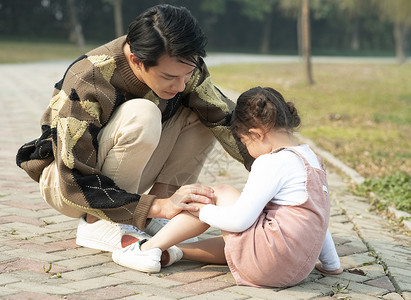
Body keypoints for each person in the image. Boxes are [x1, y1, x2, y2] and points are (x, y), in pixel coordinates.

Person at [15, 4, 252, 252]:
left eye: (187, 75)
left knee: (204, 111)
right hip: (68, 184)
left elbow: (227, 120)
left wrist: (278, 168)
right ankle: (100, 222)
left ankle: (157, 219)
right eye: (169, 77)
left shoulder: (182, 64)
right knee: (143, 113)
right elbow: (73, 179)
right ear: (136, 61)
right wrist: (158, 204)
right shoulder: (89, 78)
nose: (181, 85)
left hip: (124, 177)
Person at [112, 87, 343, 288]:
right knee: (247, 233)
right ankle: (176, 251)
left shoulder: (271, 161)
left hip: (267, 264)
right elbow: (319, 219)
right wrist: (332, 264)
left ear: (255, 134)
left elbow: (238, 221)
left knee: (218, 193)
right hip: (295, 270)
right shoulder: (311, 159)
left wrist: (201, 210)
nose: (246, 149)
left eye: (244, 142)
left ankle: (146, 250)